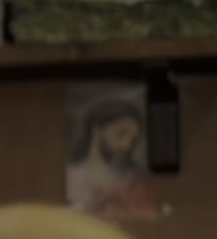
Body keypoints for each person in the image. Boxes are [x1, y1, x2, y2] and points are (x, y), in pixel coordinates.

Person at [66, 92, 158, 220]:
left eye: (133, 139)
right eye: (121, 133)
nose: (126, 145)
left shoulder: (138, 182)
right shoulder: (71, 177)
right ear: (97, 130)